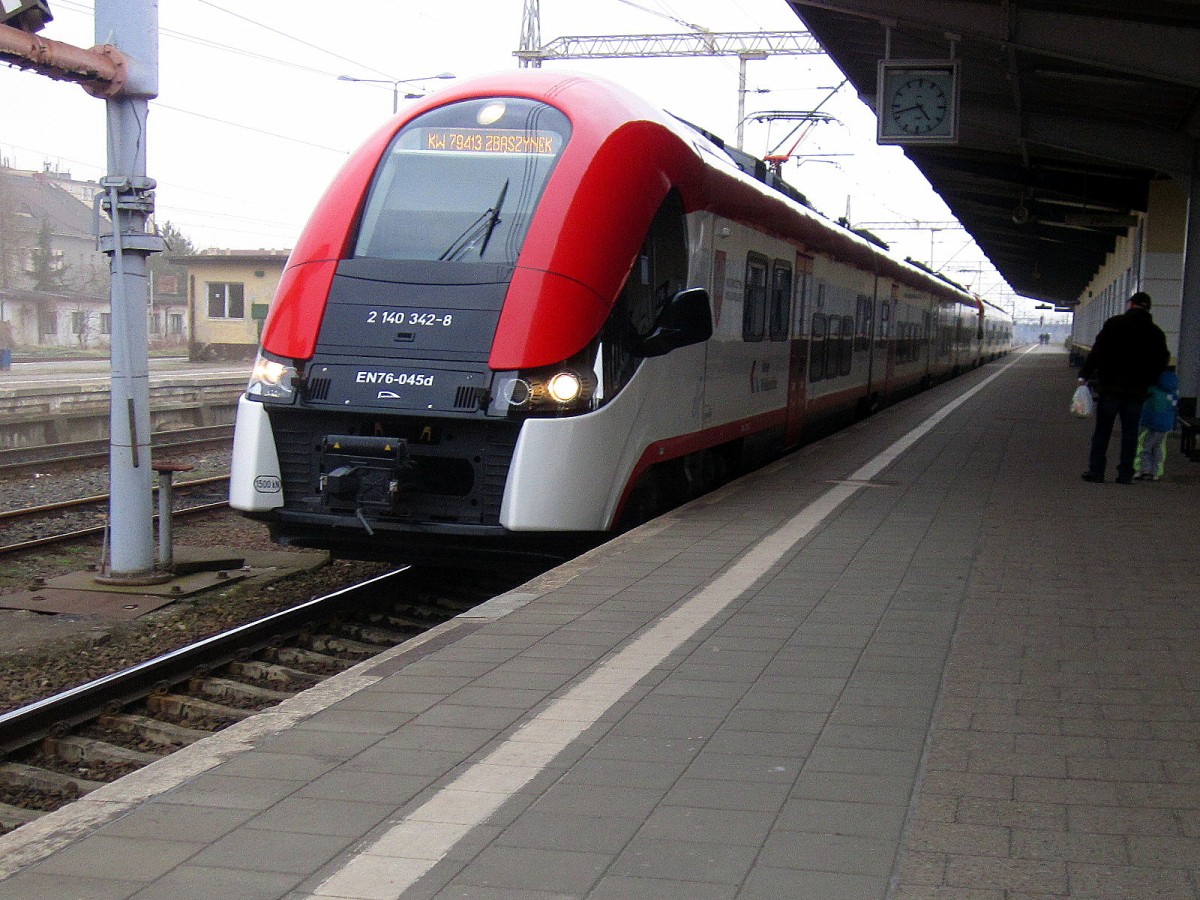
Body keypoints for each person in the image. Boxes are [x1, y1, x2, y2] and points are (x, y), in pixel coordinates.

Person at [1078, 291, 1170, 484]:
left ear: (1131, 305)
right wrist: (1148, 379)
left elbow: (1098, 351)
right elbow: (1163, 359)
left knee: (1103, 431)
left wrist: (1085, 375)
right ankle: (1125, 474)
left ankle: (1097, 472)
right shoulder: (1155, 333)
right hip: (1136, 390)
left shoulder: (1114, 324)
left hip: (1110, 387)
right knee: (1130, 433)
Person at [1134, 366, 1179, 481]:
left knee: (1144, 445)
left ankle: (1143, 470)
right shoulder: (1174, 389)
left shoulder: (1152, 387)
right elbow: (1174, 405)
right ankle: (1157, 471)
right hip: (1166, 424)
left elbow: (1139, 397)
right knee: (1159, 447)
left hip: (1149, 421)